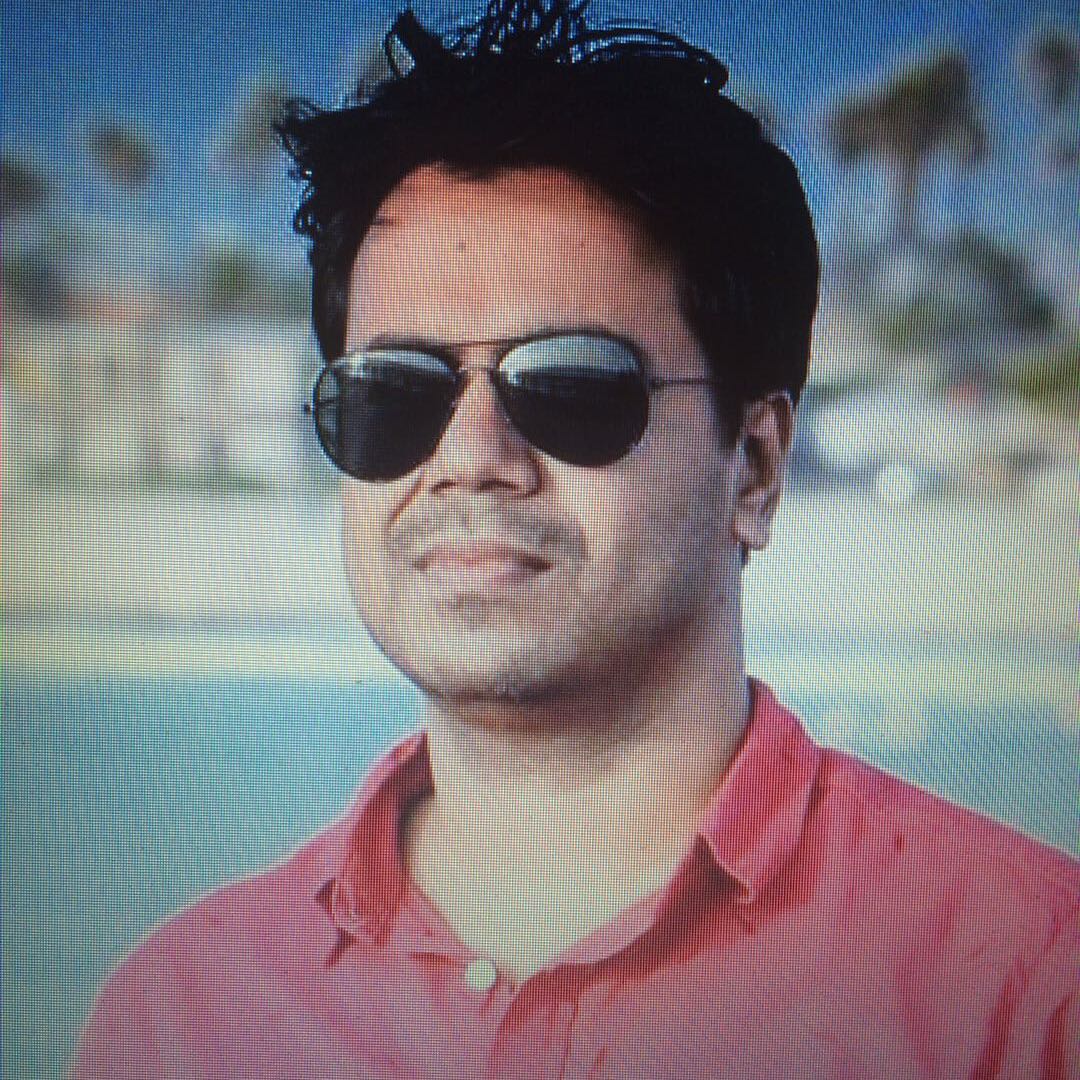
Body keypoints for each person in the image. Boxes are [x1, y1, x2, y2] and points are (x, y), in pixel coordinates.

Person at [72, 2, 1078, 1077]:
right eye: (392, 392)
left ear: (754, 466)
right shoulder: (179, 1022)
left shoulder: (1028, 995)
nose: (470, 457)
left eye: (570, 384)